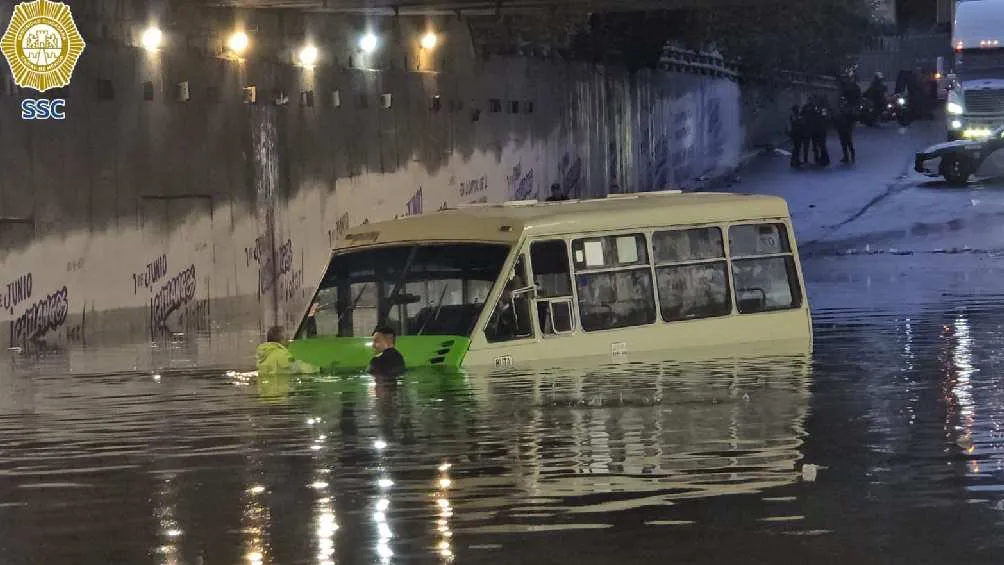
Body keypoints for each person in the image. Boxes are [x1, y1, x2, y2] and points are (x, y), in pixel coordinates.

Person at [834, 96, 856, 163]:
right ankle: (846, 156)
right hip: (841, 128)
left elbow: (853, 117)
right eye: (841, 101)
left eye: (843, 101)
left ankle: (852, 155)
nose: (842, 102)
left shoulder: (849, 108)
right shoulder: (838, 109)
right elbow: (836, 118)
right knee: (843, 143)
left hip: (847, 128)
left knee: (849, 142)